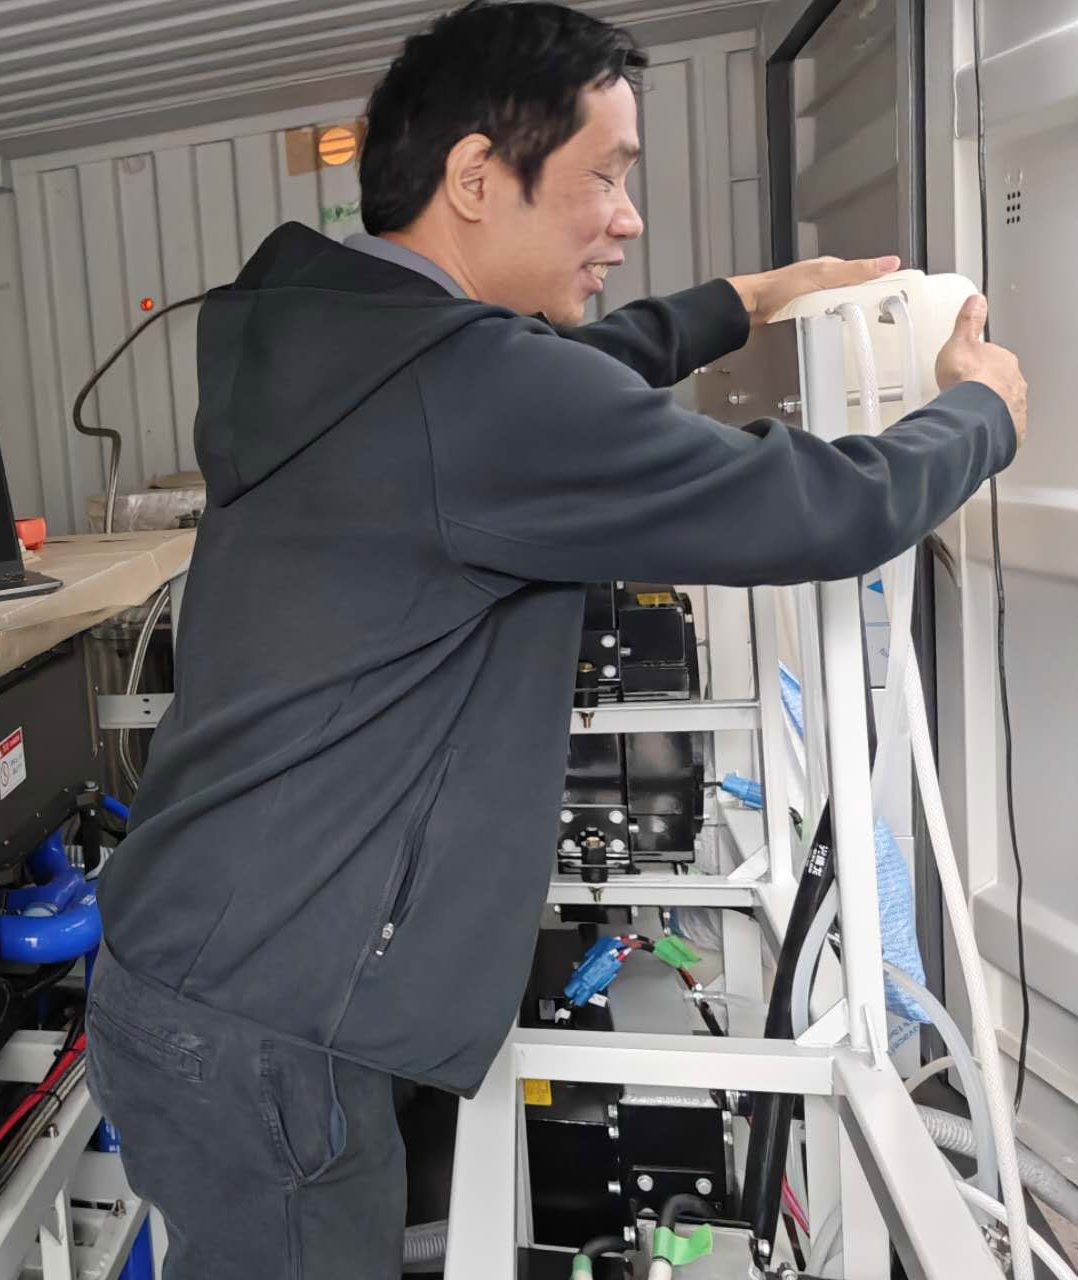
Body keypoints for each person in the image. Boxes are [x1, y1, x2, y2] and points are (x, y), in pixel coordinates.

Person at [84, 2, 1028, 1275]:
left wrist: (744, 303)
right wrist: (979, 412)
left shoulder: (330, 334)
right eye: (605, 175)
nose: (626, 219)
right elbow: (825, 505)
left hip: (190, 970)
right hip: (271, 1026)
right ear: (477, 177)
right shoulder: (474, 391)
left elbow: (562, 373)